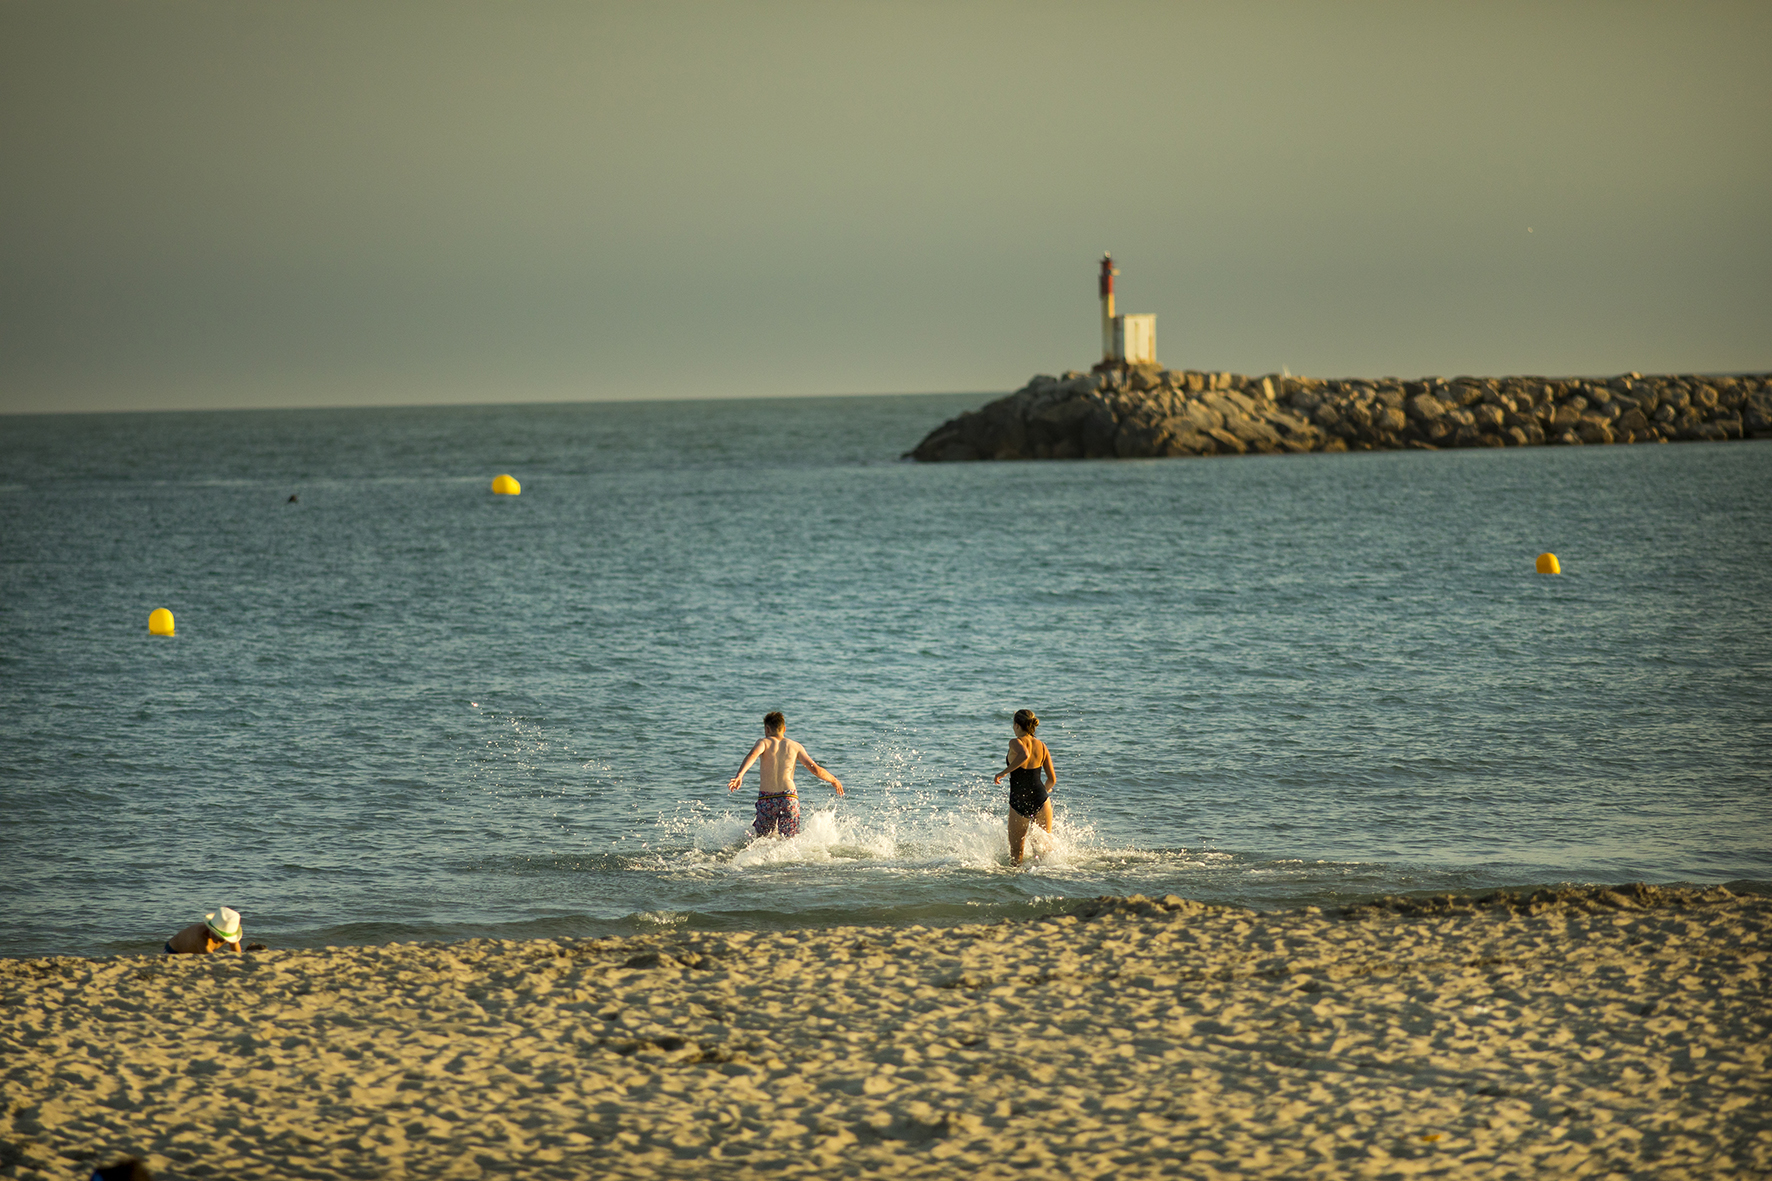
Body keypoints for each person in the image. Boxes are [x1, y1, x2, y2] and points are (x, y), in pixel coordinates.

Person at [727, 711, 844, 838]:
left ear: (767, 729)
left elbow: (752, 755)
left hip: (767, 798)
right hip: (788, 796)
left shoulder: (763, 742)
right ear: (784, 729)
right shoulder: (795, 746)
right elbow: (815, 769)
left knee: (761, 839)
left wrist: (740, 775)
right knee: (790, 839)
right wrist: (834, 780)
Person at [994, 708, 1055, 866]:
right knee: (1043, 854)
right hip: (1042, 800)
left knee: (1016, 854)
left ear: (1017, 725)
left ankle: (1017, 888)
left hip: (1019, 801)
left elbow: (1024, 755)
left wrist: (1003, 773)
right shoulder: (1042, 746)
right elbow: (1052, 780)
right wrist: (1042, 792)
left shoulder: (1015, 742)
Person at [165, 906, 245, 955]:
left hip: (193, 953)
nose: (216, 940)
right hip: (173, 951)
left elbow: (237, 953)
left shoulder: (229, 932)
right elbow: (210, 957)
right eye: (215, 934)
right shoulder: (200, 935)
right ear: (210, 928)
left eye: (221, 939)